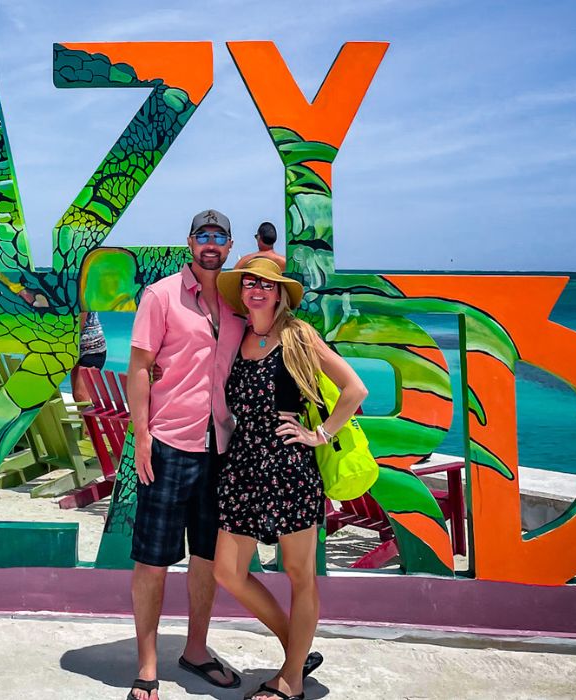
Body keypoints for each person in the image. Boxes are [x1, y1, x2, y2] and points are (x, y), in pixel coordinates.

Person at [211, 257, 368, 700]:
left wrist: (320, 434)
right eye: (249, 283)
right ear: (241, 292)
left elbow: (355, 390)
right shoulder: (238, 337)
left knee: (300, 574)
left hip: (289, 466)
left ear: (280, 293)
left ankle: (291, 679)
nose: (257, 290)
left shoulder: (299, 336)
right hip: (242, 466)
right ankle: (295, 648)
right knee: (228, 571)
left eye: (266, 283)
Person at [125, 209, 244, 700]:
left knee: (206, 558)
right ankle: (148, 666)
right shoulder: (161, 295)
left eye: (219, 237)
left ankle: (195, 649)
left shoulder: (240, 302)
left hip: (221, 448)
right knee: (152, 561)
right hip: (169, 444)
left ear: (230, 244)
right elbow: (139, 367)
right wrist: (142, 435)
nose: (210, 244)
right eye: (203, 236)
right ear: (189, 243)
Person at [70, 311, 106, 403]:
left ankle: (87, 417)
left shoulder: (82, 296)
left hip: (92, 349)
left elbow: (81, 316)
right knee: (78, 396)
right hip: (77, 348)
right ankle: (83, 417)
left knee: (81, 396)